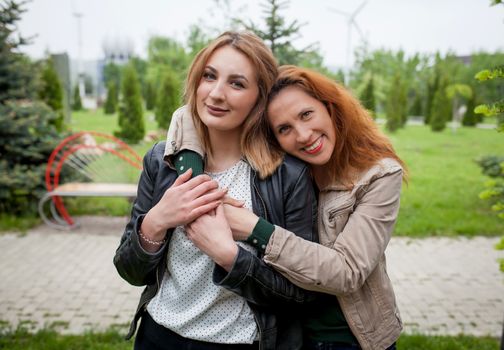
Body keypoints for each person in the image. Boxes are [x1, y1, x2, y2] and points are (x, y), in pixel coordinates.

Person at [169, 65, 407, 350]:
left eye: (306, 115)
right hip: (285, 334)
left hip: (348, 337)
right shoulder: (285, 168)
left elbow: (347, 272)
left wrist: (255, 230)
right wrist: (194, 176)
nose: (304, 135)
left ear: (330, 107)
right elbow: (189, 115)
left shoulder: (379, 175)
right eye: (285, 129)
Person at [113, 32, 317, 350]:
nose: (216, 94)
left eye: (237, 84)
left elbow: (300, 293)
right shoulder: (162, 159)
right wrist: (156, 221)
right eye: (209, 76)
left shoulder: (287, 175)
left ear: (259, 98)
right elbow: (130, 270)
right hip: (158, 337)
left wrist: (229, 256)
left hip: (242, 343)